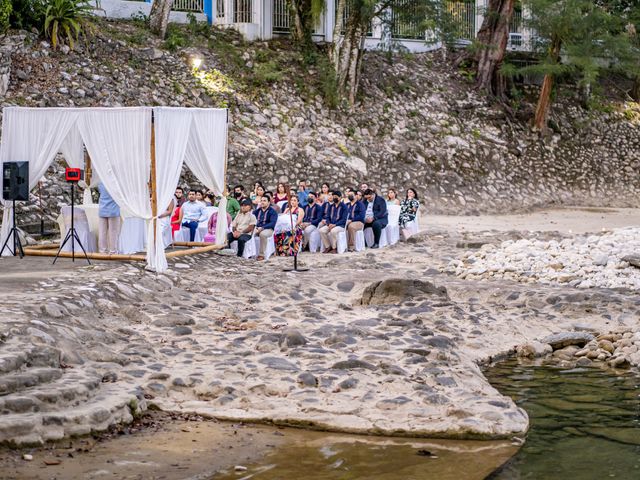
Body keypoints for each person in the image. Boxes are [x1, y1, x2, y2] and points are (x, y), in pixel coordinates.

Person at [98, 182, 121, 254]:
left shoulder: (101, 184)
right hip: (113, 210)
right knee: (113, 232)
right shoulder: (115, 184)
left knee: (102, 232)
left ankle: (102, 251)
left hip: (102, 209)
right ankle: (113, 251)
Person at [253, 196, 277, 261]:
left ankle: (261, 254)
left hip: (268, 229)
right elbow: (251, 219)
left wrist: (263, 228)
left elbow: (272, 223)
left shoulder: (272, 212)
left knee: (262, 234)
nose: (262, 202)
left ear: (269, 202)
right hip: (257, 228)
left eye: (264, 201)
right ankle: (250, 253)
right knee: (249, 232)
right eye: (261, 201)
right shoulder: (257, 211)